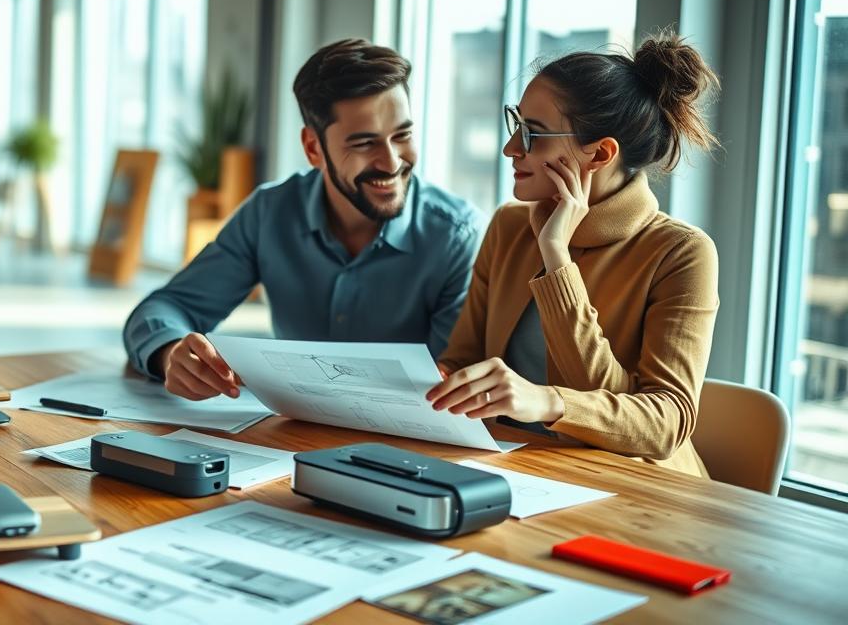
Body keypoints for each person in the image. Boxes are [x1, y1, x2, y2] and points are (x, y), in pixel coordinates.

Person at [426, 33, 721, 476]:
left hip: (638, 489)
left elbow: (663, 424)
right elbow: (463, 360)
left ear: (600, 154)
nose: (511, 149)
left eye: (533, 135)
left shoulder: (681, 254)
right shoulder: (509, 226)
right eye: (516, 125)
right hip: (517, 468)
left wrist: (556, 259)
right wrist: (430, 382)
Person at [124, 38, 482, 400]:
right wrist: (171, 354)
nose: (391, 163)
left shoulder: (457, 237)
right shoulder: (270, 213)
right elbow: (163, 308)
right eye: (363, 143)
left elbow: (448, 377)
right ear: (313, 148)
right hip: (289, 438)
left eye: (402, 135)